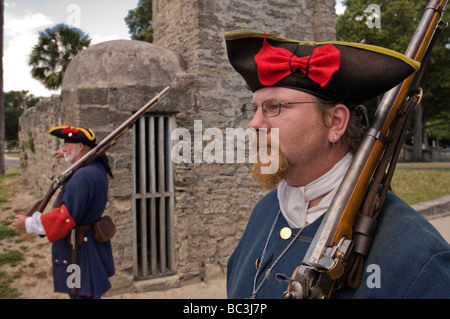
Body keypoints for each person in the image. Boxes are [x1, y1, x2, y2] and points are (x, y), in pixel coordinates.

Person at [224, 30, 450, 298]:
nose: (255, 124)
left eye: (274, 107)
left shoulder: (420, 257)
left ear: (336, 123)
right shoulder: (264, 211)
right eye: (254, 109)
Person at [13, 125, 115, 299]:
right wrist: (68, 154)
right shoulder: (94, 167)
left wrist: (29, 223)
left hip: (79, 248)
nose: (63, 149)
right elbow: (79, 165)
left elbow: (65, 217)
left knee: (80, 293)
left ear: (81, 147)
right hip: (86, 244)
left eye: (68, 145)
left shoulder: (84, 176)